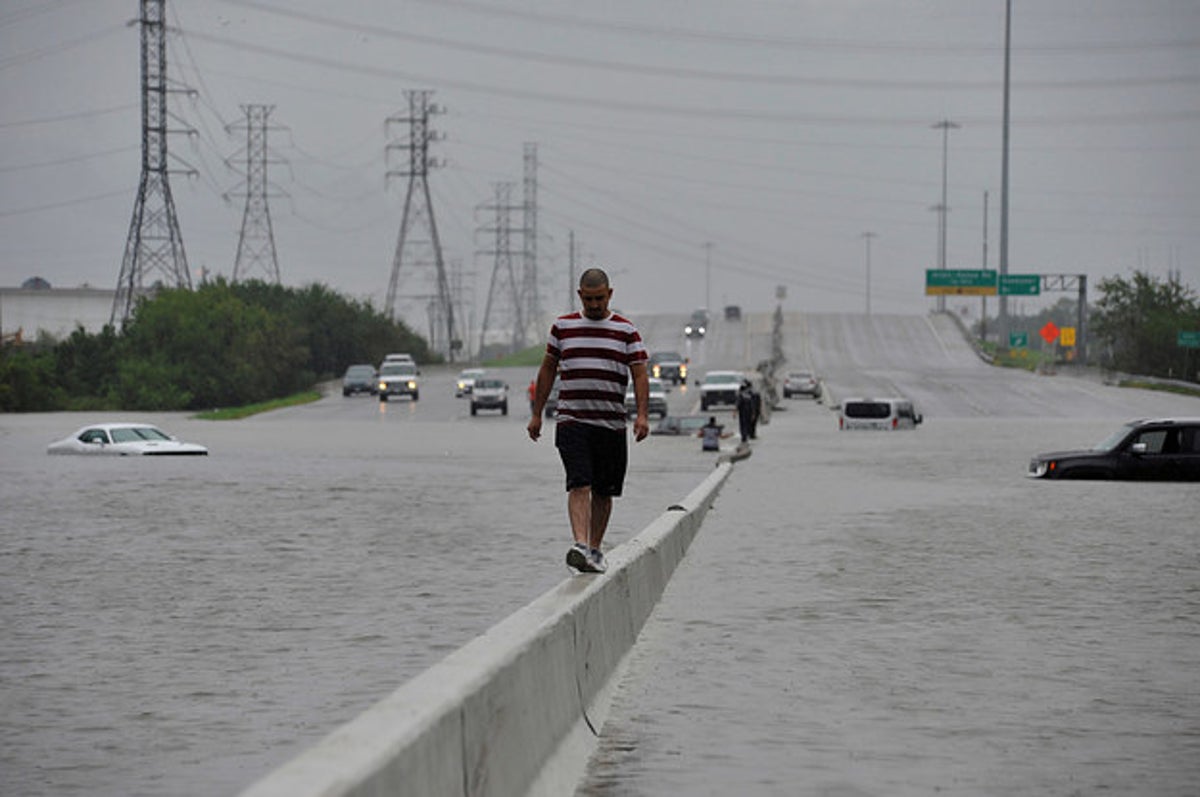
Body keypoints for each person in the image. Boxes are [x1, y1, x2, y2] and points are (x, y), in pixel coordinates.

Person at [527, 268, 650, 574]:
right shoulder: (562, 327)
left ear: (610, 294)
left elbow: (639, 374)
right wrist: (537, 414)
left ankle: (594, 549)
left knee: (604, 492)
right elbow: (547, 370)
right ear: (580, 295)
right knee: (579, 482)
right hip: (573, 420)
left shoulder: (626, 331)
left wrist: (643, 415)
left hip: (611, 423)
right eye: (589, 299)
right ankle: (580, 544)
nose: (595, 304)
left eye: (600, 298)